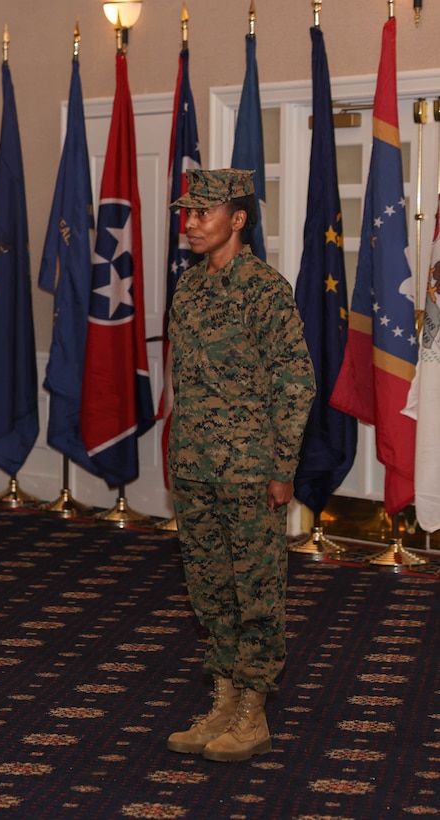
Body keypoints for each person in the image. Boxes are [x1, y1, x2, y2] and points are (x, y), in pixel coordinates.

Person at [164, 168, 315, 763]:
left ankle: (254, 713)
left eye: (204, 212)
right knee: (209, 590)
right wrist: (180, 455)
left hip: (251, 469)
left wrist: (283, 467)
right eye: (189, 213)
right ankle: (223, 700)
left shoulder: (266, 290)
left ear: (239, 219)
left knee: (256, 592)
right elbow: (187, 382)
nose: (193, 222)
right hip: (197, 465)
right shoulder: (190, 288)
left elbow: (295, 383)